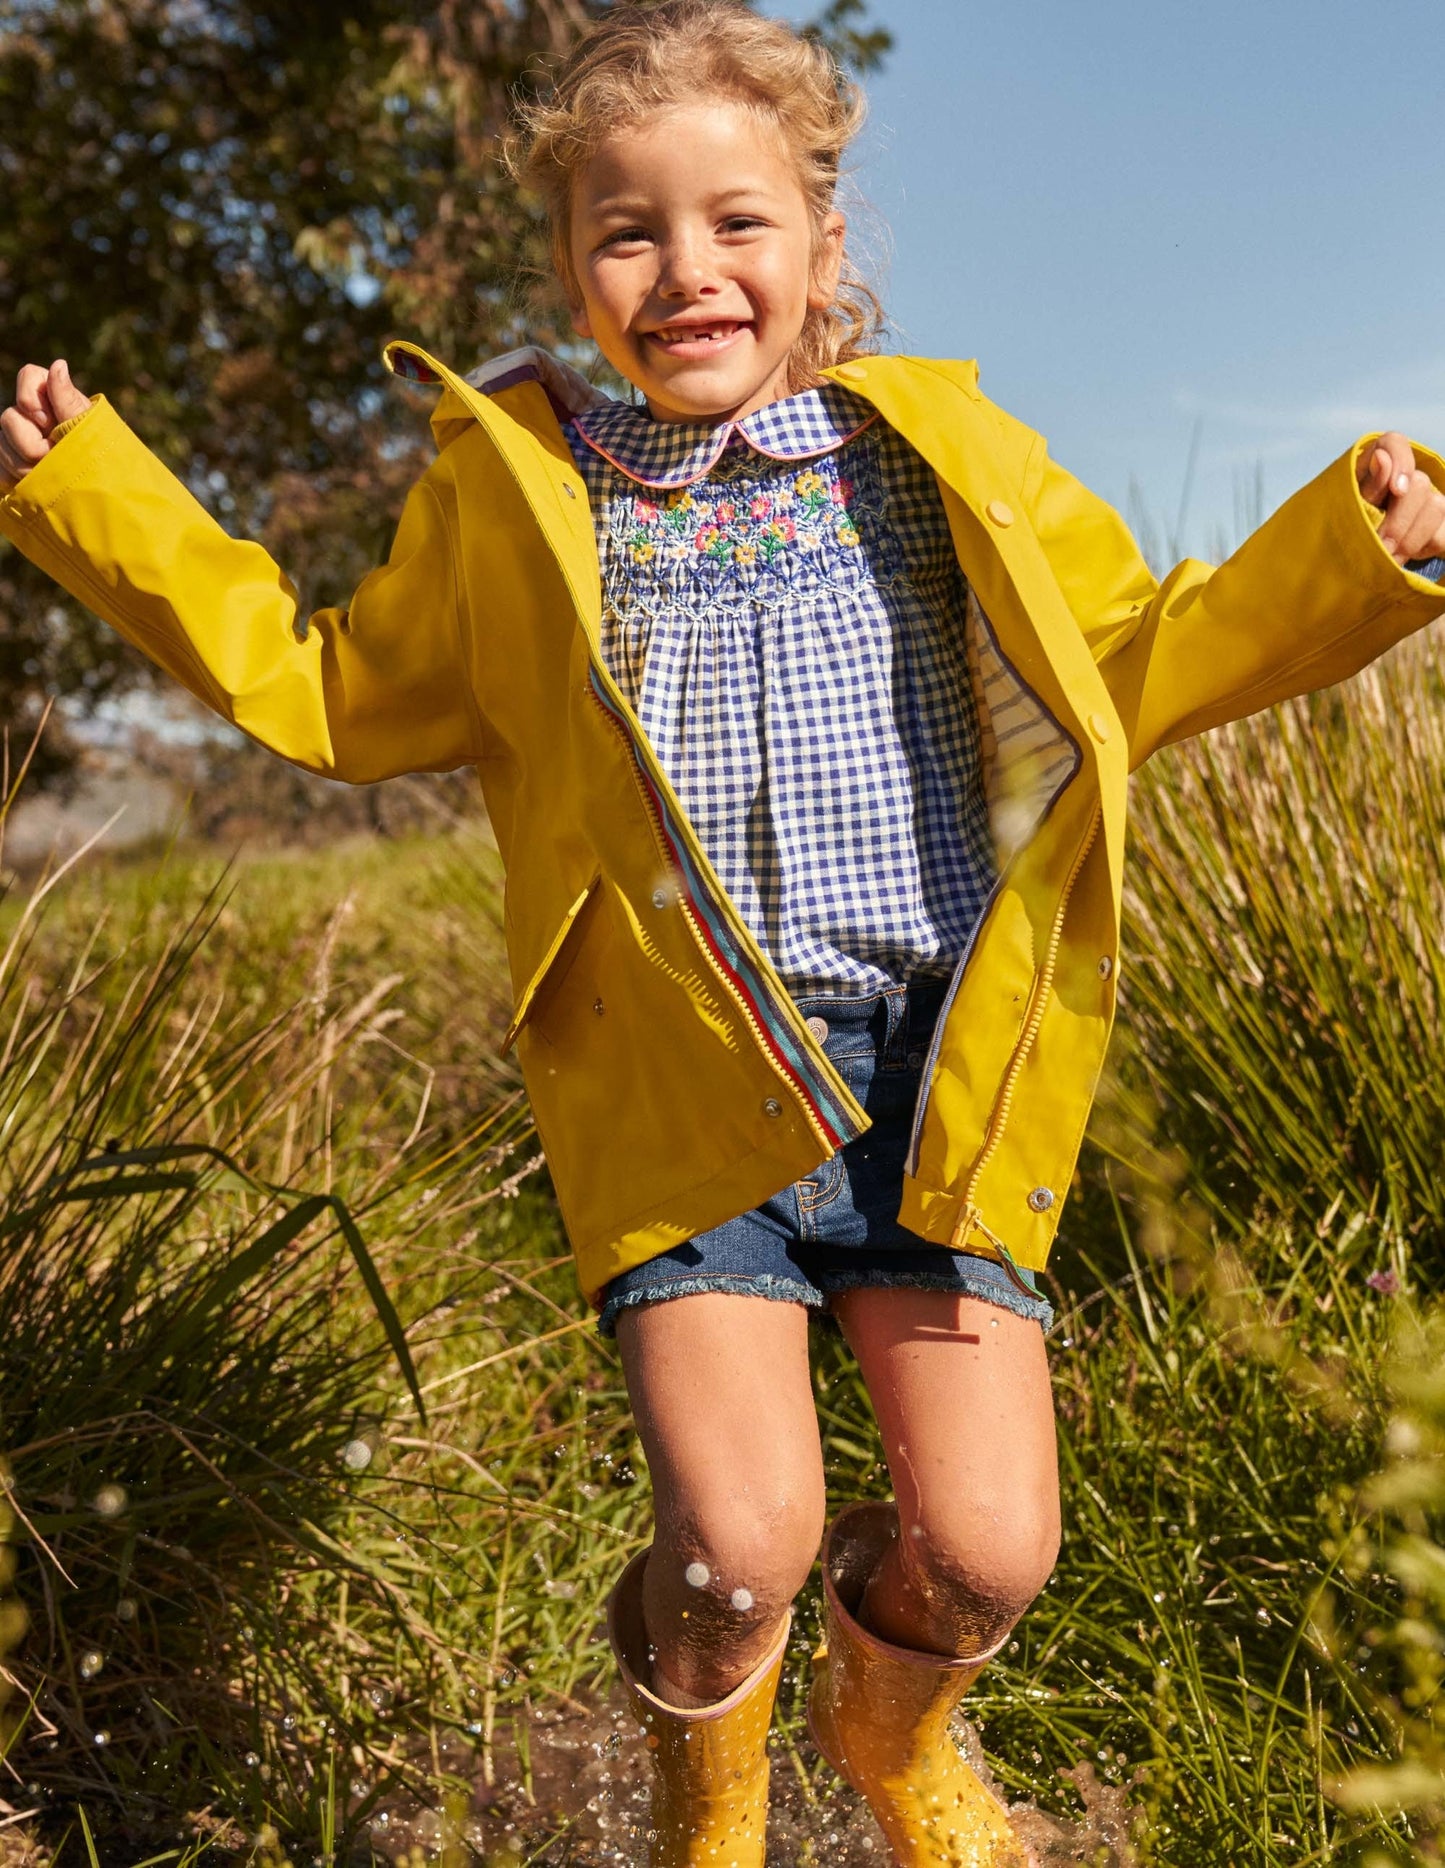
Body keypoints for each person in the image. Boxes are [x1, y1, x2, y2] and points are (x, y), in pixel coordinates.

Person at [3, 4, 1443, 1861]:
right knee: (735, 1545)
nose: (687, 270)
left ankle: (892, 1741)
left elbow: (1128, 652)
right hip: (676, 1086)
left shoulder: (930, 454)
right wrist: (97, 501)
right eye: (628, 231)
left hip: (928, 1074)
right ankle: (708, 1804)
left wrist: (1353, 557)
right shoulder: (518, 494)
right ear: (571, 267)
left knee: (988, 1550)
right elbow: (333, 694)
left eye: (737, 223)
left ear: (823, 250)